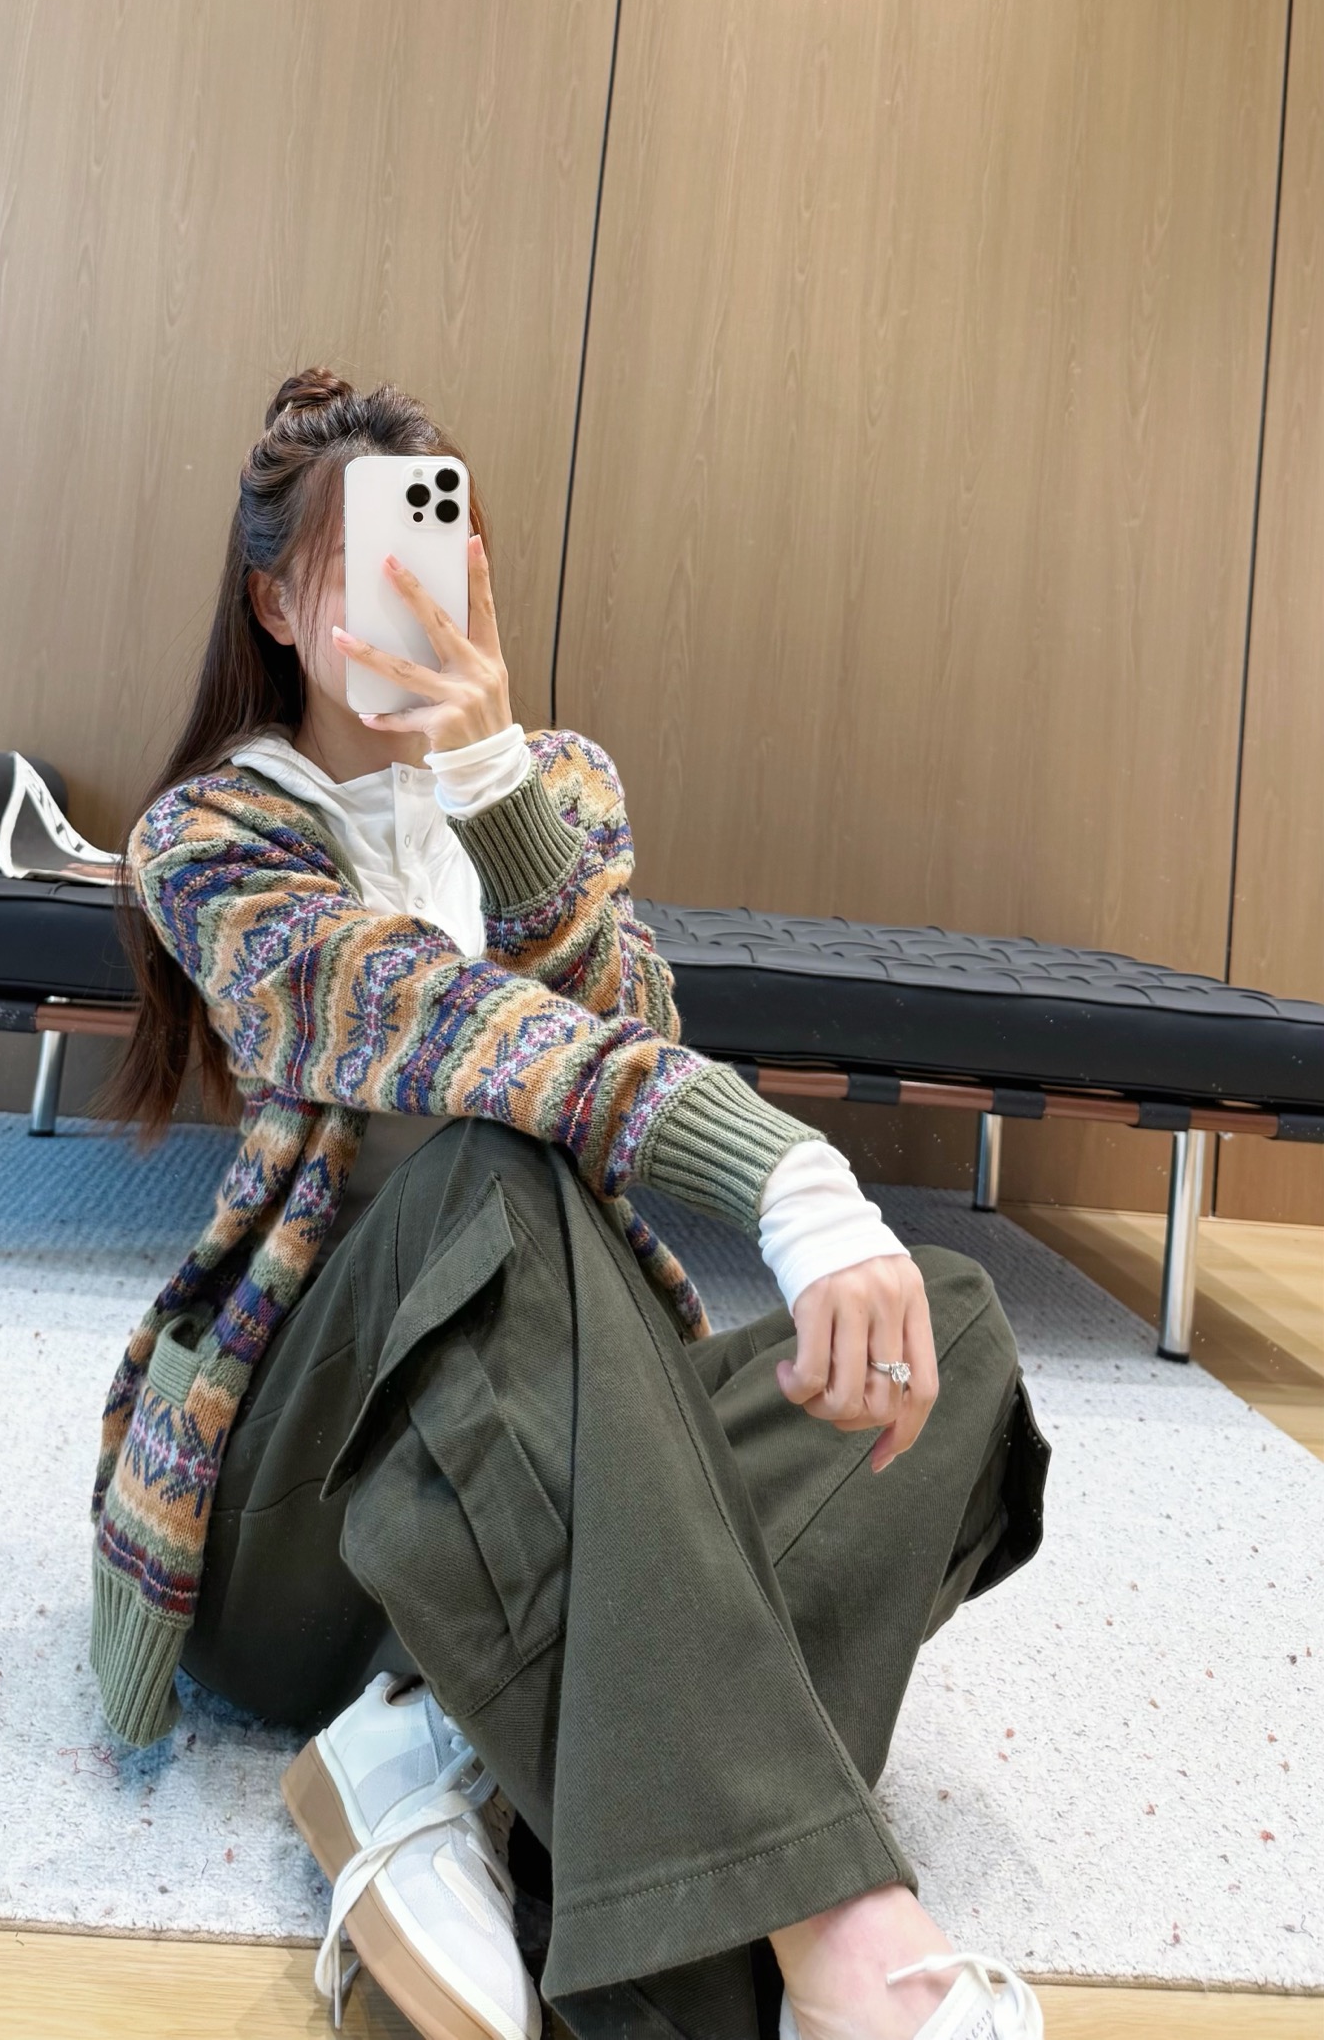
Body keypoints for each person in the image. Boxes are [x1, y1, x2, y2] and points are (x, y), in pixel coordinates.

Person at [93, 368, 1052, 2040]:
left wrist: (498, 800)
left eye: (439, 550)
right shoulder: (208, 835)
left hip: (553, 1460)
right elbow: (457, 1032)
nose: (417, 593)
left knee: (947, 1334)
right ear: (275, 606)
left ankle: (436, 1749)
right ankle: (823, 1919)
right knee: (491, 1157)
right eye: (360, 566)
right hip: (305, 1521)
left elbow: (638, 1040)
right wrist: (789, 1174)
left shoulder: (560, 786)